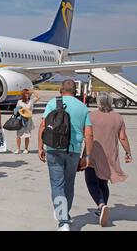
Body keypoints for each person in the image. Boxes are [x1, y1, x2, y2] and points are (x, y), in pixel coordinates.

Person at [38, 79, 93, 231]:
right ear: (75, 91)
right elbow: (89, 134)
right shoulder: (82, 107)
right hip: (74, 151)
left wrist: (40, 147)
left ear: (61, 90)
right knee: (69, 184)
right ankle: (65, 214)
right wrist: (87, 156)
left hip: (54, 149)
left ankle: (63, 222)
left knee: (57, 185)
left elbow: (43, 126)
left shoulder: (53, 103)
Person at [84, 92, 132, 227]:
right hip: (110, 155)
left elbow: (86, 134)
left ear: (99, 102)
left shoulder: (91, 116)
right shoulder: (118, 117)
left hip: (93, 153)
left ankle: (101, 205)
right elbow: (122, 137)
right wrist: (128, 152)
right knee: (103, 184)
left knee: (91, 182)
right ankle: (102, 209)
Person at [14, 89, 40, 154]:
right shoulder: (19, 101)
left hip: (28, 120)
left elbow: (38, 97)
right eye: (26, 94)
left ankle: (26, 149)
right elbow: (16, 110)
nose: (27, 95)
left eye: (28, 94)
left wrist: (33, 91)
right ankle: (18, 149)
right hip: (20, 120)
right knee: (18, 135)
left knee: (27, 135)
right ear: (23, 95)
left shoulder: (31, 101)